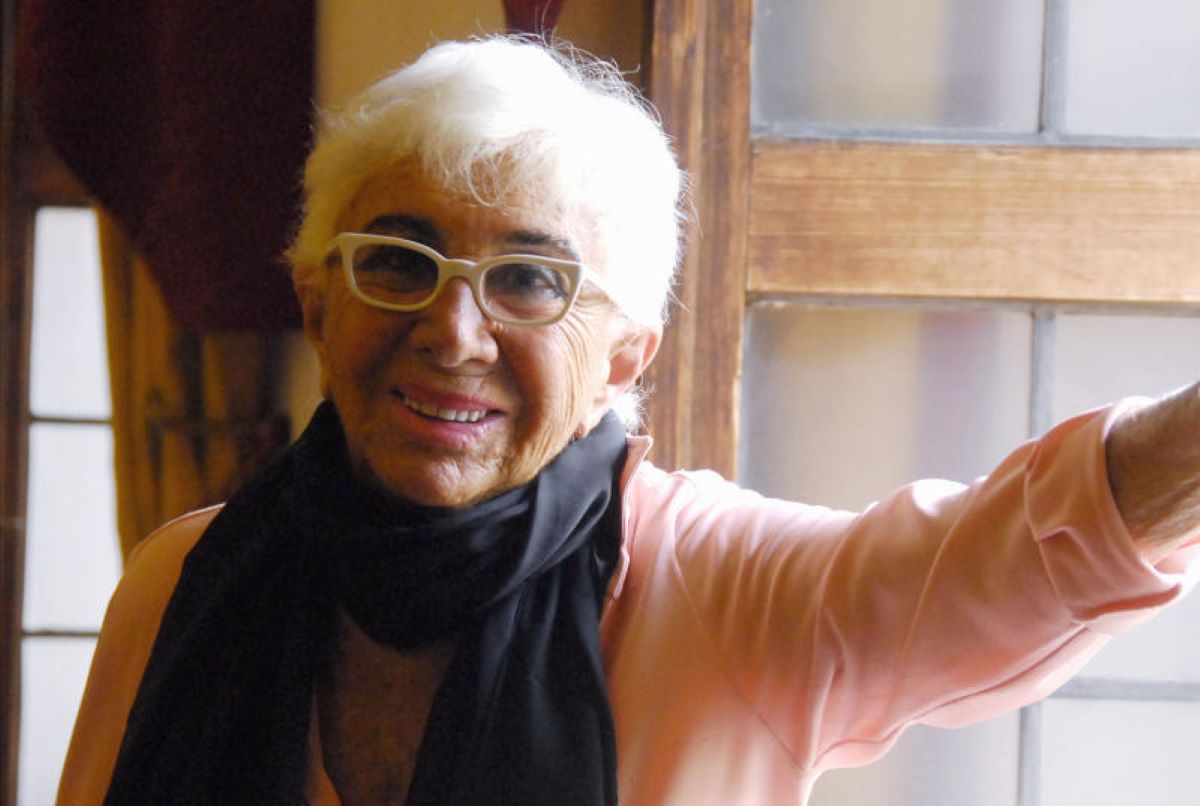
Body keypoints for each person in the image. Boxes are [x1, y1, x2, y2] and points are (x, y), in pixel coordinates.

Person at [58, 36, 1200, 806]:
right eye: (400, 261)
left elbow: (1007, 564)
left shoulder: (717, 589)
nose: (454, 332)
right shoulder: (182, 581)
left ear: (622, 358)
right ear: (318, 302)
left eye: (529, 280)